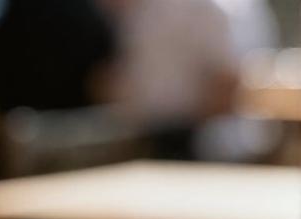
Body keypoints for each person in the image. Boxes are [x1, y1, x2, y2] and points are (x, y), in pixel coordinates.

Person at [108, 0, 276, 158]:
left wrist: (179, 127)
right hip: (152, 137)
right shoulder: (148, 8)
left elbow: (228, 84)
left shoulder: (217, 7)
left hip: (205, 146)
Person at [0, 0, 119, 116]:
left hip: (18, 125)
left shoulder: (18, 10)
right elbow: (103, 63)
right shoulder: (86, 12)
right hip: (72, 125)